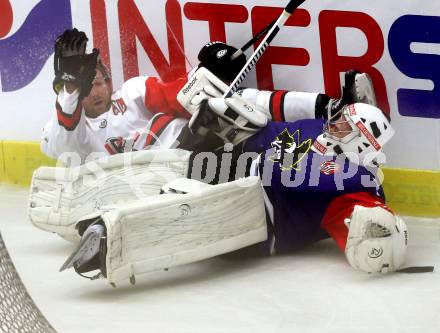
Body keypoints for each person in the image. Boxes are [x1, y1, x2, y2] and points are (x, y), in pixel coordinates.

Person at [41, 29, 376, 164]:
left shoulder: (131, 92)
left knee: (230, 103)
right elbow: (62, 143)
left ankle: (334, 110)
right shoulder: (71, 129)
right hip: (167, 174)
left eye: (100, 81)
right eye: (89, 85)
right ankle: (337, 135)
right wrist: (70, 88)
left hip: (195, 143)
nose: (96, 90)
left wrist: (209, 78)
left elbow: (180, 97)